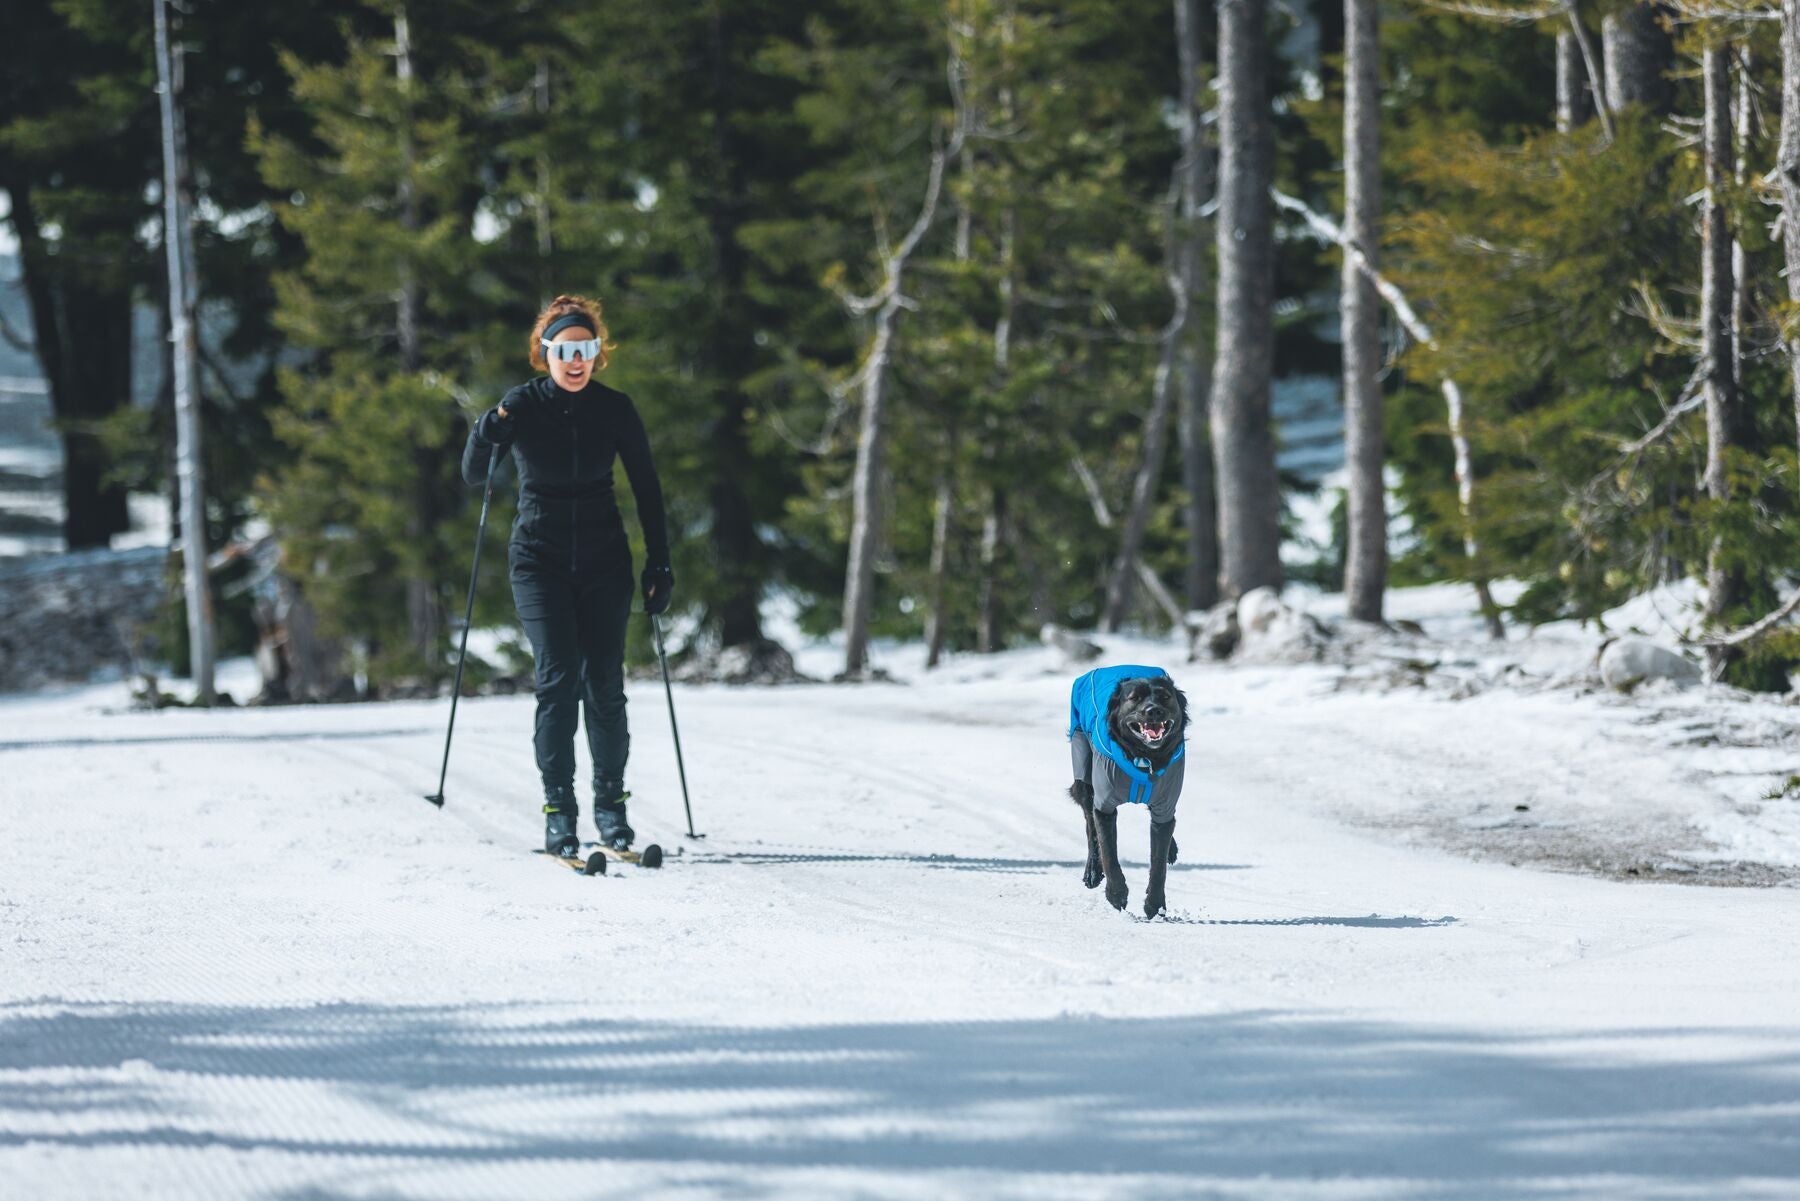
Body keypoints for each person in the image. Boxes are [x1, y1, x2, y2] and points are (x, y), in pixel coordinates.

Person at [462, 295, 672, 855]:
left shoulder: (615, 408)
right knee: (558, 681)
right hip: (539, 560)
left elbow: (648, 489)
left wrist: (659, 562)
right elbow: (474, 474)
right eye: (565, 350)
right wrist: (488, 427)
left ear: (598, 353)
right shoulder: (522, 406)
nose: (576, 361)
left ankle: (611, 807)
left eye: (586, 349)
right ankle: (559, 810)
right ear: (545, 352)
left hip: (605, 562)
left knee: (605, 685)